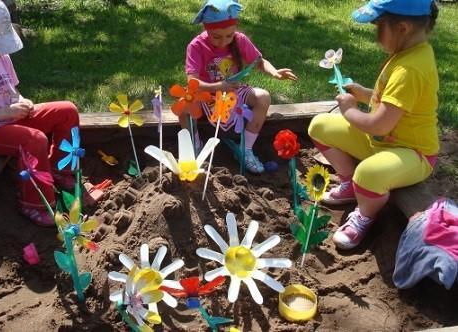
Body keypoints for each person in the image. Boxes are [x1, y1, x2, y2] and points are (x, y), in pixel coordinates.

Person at [308, 0, 439, 249]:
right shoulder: (407, 54)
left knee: (368, 174)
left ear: (402, 28)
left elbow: (379, 125)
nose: (376, 34)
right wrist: (364, 94)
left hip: (412, 154)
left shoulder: (410, 69)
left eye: (379, 26)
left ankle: (365, 215)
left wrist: (349, 110)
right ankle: (349, 184)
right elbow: (391, 103)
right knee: (319, 126)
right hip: (382, 144)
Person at [0, 0, 79, 226]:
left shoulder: (1, 57)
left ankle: (60, 169)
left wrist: (23, 102)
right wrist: (6, 111)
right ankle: (34, 203)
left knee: (67, 110)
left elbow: (12, 91)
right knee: (34, 141)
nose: (1, 49)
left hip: (11, 116)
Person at [183, 0, 297, 174]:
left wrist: (274, 73)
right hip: (207, 93)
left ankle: (246, 149)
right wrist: (219, 86)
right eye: (217, 37)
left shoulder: (239, 40)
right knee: (184, 105)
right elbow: (193, 83)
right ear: (206, 29)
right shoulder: (196, 46)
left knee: (263, 96)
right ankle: (195, 146)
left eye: (229, 36)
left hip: (235, 91)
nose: (223, 42)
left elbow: (259, 62)